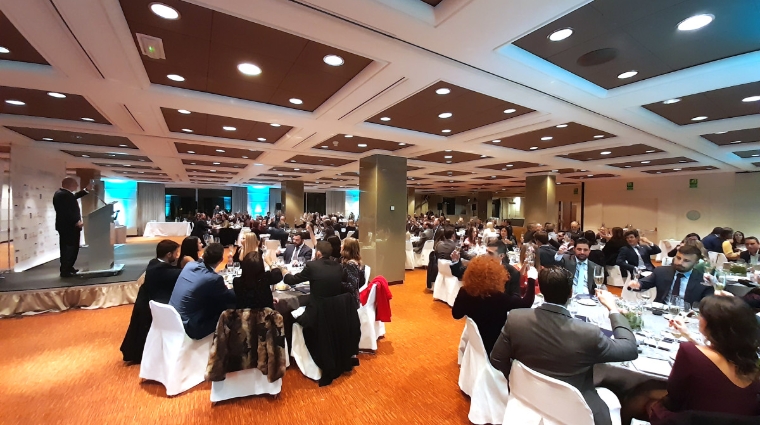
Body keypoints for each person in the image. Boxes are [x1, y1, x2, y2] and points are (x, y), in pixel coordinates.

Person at [490, 267, 639, 425]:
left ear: (541, 290)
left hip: (527, 399)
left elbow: (497, 360)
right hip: (576, 412)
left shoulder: (516, 318)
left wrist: (520, 382)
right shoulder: (588, 333)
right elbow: (629, 349)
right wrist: (613, 310)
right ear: (570, 292)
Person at [648, 296, 760, 422]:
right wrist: (688, 335)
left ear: (710, 322)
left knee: (644, 395)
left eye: (700, 315)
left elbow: (675, 395)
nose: (697, 318)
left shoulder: (689, 352)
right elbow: (718, 357)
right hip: (738, 420)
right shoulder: (750, 359)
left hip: (693, 419)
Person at [452, 255, 536, 355]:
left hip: (475, 341)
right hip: (495, 345)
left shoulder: (464, 292)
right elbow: (526, 304)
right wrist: (531, 279)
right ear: (497, 276)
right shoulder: (499, 298)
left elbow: (456, 314)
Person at [120, 240, 182, 363]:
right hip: (149, 306)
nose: (177, 256)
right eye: (176, 253)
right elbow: (179, 274)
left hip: (146, 300)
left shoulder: (154, 263)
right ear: (169, 254)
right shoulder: (161, 269)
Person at [168, 243, 236, 340]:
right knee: (229, 308)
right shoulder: (214, 279)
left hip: (171, 317)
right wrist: (238, 285)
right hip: (189, 326)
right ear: (221, 260)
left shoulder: (189, 266)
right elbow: (230, 297)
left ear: (203, 255)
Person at [629, 244, 713, 305]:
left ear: (696, 263)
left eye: (686, 261)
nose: (680, 263)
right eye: (678, 258)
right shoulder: (662, 271)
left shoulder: (703, 280)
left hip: (687, 316)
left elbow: (708, 303)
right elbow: (644, 283)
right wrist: (638, 284)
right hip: (662, 312)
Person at [451, 240, 522, 296]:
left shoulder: (512, 273)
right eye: (486, 251)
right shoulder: (479, 265)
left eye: (490, 253)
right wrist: (455, 261)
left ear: (501, 256)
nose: (486, 255)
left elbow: (515, 297)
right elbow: (459, 273)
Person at [53, 177, 91, 277]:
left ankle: (68, 267)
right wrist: (76, 222)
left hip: (67, 227)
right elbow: (66, 212)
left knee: (70, 248)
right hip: (69, 227)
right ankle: (66, 269)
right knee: (69, 249)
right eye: (75, 184)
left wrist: (85, 191)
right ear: (69, 184)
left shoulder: (63, 194)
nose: (77, 186)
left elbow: (73, 197)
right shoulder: (63, 195)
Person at [340, 237, 365, 304]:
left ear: (347, 248)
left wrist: (337, 282)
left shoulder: (351, 265)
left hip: (350, 302)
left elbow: (351, 286)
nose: (341, 246)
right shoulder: (356, 262)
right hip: (351, 298)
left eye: (342, 244)